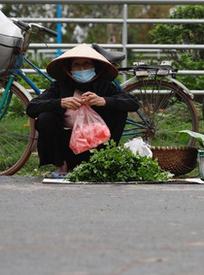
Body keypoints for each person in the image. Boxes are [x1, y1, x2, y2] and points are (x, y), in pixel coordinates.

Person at [26, 44, 140, 177]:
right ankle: (60, 165)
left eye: (86, 64)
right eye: (76, 65)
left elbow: (133, 103)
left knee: (119, 109)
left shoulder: (104, 86)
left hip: (97, 148)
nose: (81, 68)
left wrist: (103, 101)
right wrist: (60, 103)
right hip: (67, 149)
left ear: (94, 67)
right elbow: (32, 107)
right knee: (45, 117)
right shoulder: (60, 86)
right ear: (70, 69)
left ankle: (103, 161)